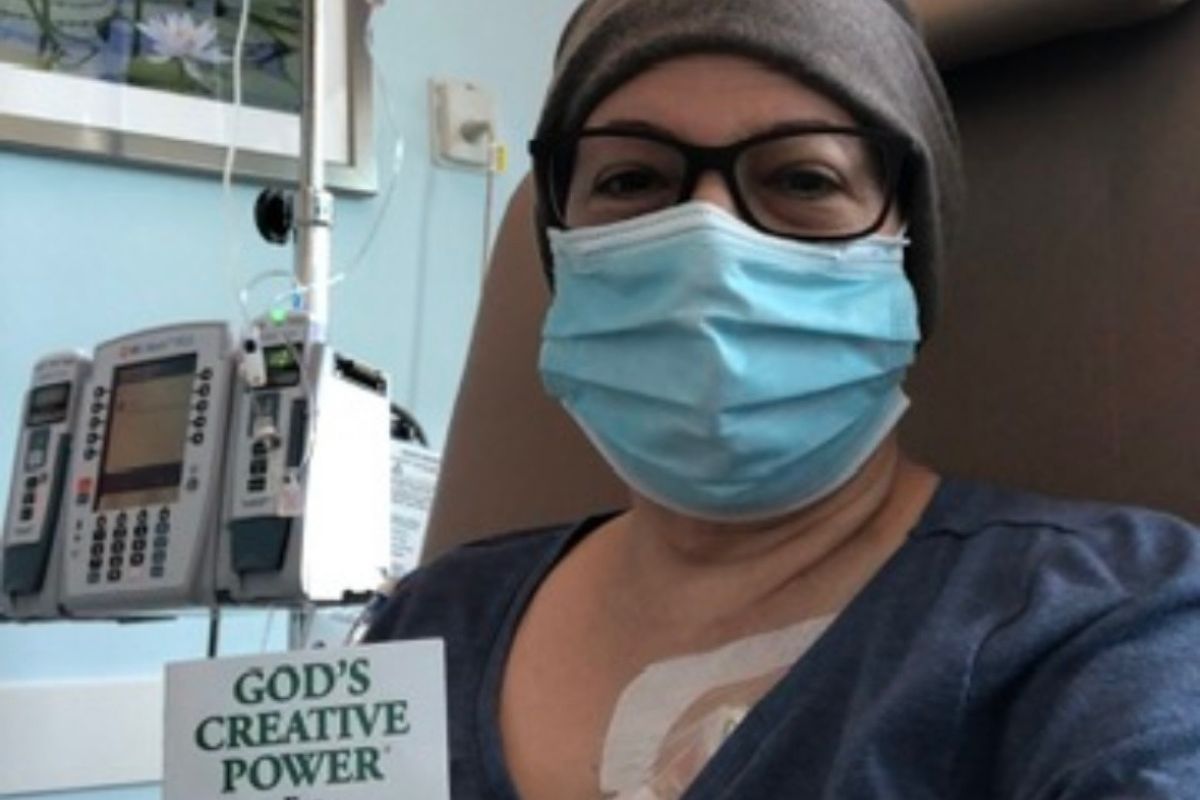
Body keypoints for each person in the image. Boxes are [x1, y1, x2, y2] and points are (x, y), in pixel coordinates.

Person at [366, 0, 1200, 797]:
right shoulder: (430, 622)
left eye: (802, 178)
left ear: (907, 255)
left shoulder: (1102, 622)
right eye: (630, 180)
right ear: (561, 246)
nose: (709, 245)